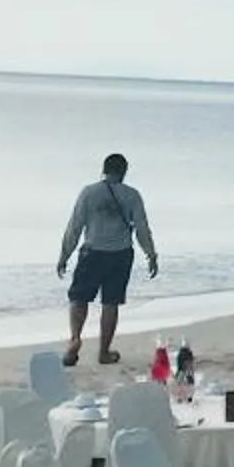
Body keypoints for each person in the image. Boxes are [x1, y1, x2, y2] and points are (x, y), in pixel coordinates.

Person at [57, 152, 160, 369]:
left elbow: (75, 226)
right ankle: (104, 352)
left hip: (92, 252)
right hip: (120, 255)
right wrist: (150, 254)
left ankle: (75, 338)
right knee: (110, 303)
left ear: (104, 170)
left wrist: (64, 255)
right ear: (124, 172)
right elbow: (142, 228)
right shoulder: (132, 195)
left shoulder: (89, 192)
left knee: (79, 298)